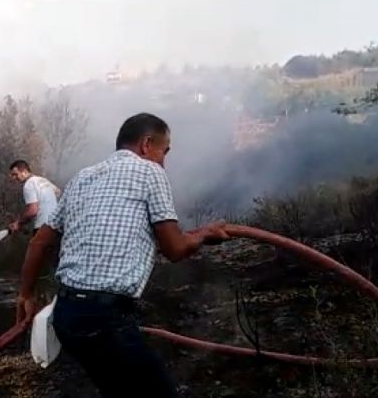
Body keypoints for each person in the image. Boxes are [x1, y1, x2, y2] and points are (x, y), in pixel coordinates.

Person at [15, 113, 230, 398]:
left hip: (66, 315)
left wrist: (25, 295)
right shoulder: (150, 172)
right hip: (105, 318)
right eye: (164, 152)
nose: (163, 162)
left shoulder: (82, 177)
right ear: (146, 144)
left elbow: (39, 242)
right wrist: (204, 235)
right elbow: (175, 249)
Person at [7, 160, 60, 236]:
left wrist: (18, 222)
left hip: (43, 226)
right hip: (56, 226)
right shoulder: (43, 180)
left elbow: (32, 210)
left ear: (24, 172)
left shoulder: (28, 184)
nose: (14, 178)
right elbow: (57, 191)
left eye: (15, 174)